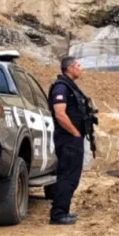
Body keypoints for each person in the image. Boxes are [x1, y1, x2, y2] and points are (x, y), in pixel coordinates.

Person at [47, 56, 92, 225]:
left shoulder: (69, 86)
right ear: (70, 68)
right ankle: (58, 214)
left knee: (72, 175)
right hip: (68, 139)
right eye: (79, 65)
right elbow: (60, 113)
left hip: (72, 138)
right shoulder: (61, 87)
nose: (81, 68)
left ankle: (62, 210)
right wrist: (74, 133)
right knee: (67, 176)